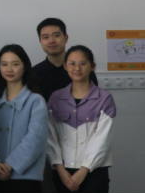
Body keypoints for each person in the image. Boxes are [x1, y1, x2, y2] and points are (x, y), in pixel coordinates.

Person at [48, 46, 115, 194]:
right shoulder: (56, 98)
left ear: (92, 66)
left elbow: (103, 138)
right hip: (63, 172)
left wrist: (85, 169)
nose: (77, 68)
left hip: (95, 170)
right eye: (72, 63)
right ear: (65, 66)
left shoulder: (104, 98)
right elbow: (50, 135)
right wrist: (60, 168)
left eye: (82, 63)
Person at [0, 45, 47, 194]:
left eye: (15, 64)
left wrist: (10, 165)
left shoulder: (35, 101)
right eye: (4, 64)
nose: (9, 69)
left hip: (25, 177)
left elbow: (35, 139)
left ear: (25, 67)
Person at [33, 19, 98, 103]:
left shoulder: (82, 70)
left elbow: (94, 101)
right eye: (46, 37)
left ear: (66, 38)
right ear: (40, 41)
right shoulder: (34, 73)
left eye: (56, 35)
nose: (51, 41)